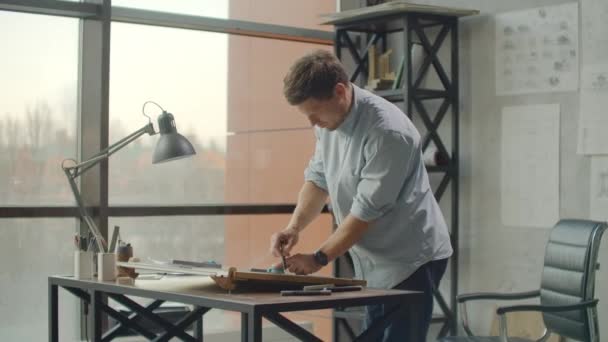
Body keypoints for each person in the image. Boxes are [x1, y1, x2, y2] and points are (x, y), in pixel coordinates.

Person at [269, 49, 453, 341]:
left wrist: (318, 258)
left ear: (339, 91)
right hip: (373, 260)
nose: (312, 123)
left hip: (411, 258)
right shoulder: (329, 122)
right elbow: (317, 181)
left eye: (314, 113)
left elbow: (364, 213)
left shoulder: (387, 133)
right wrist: (294, 227)